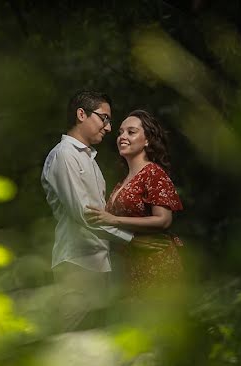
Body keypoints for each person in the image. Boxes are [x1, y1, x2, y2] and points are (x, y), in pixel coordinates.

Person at [41, 91, 158, 331]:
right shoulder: (64, 155)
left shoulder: (89, 160)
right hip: (76, 264)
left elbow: (101, 215)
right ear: (81, 114)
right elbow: (85, 215)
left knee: (95, 345)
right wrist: (132, 241)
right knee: (71, 343)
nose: (108, 127)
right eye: (103, 118)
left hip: (99, 264)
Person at [84, 109, 184, 296]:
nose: (122, 136)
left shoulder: (153, 173)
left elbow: (163, 220)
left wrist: (112, 220)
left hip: (156, 262)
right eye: (120, 132)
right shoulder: (122, 182)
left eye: (131, 132)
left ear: (147, 140)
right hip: (130, 266)